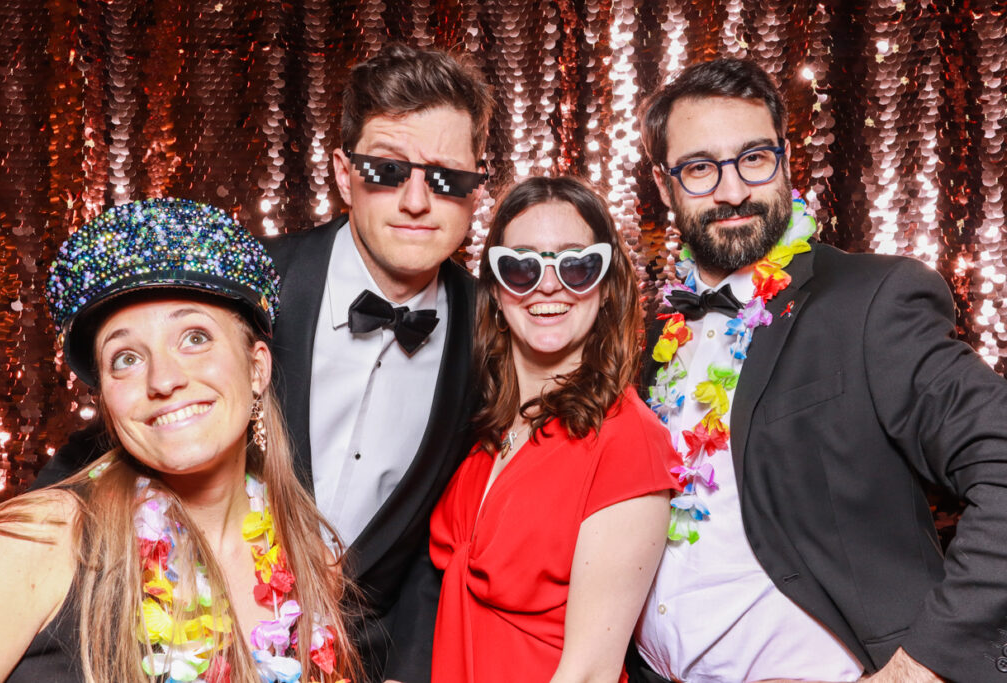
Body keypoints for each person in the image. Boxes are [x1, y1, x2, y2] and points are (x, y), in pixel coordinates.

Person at [34, 44, 493, 682]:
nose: (416, 201)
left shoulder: (494, 329)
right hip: (184, 644)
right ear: (342, 173)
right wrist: (34, 538)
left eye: (445, 177)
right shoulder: (245, 284)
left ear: (477, 187)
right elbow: (139, 410)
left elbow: (438, 540)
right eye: (387, 170)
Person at [630, 57, 1007, 683]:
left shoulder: (871, 300)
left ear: (784, 159)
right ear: (664, 184)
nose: (731, 191)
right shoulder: (645, 341)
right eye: (699, 168)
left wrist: (920, 671)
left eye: (753, 158)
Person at [0, 198, 357, 682]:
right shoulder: (40, 540)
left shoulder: (311, 558)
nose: (162, 379)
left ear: (257, 367)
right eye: (126, 358)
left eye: (195, 337)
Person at [429, 176, 681, 682]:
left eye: (577, 266)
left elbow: (589, 671)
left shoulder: (627, 440)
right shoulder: (486, 434)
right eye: (521, 267)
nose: (549, 285)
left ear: (606, 289)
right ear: (497, 293)